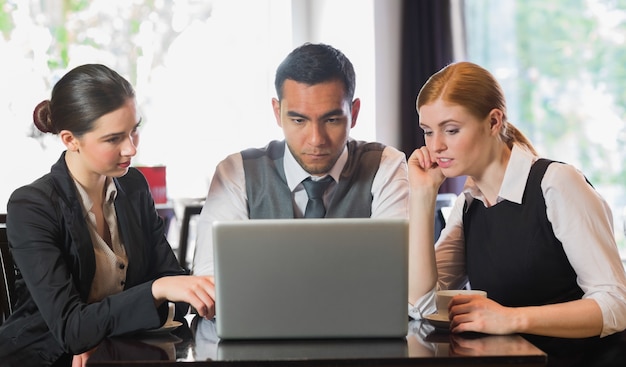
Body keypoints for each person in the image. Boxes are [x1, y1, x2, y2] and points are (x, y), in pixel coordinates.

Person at [0, 64, 216, 366]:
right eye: (113, 139)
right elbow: (71, 330)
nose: (131, 149)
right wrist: (156, 290)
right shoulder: (32, 206)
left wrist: (100, 331)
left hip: (119, 353)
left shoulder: (133, 186)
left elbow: (177, 293)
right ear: (70, 140)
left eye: (134, 130)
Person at [406, 61, 626, 338]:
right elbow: (422, 304)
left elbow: (616, 305)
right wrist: (423, 195)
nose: (435, 146)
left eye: (451, 130)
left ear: (493, 122)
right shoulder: (469, 204)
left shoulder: (556, 183)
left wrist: (512, 319)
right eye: (428, 131)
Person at [192, 42, 409, 276]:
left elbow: (401, 275)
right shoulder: (237, 172)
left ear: (353, 113)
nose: (316, 139)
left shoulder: (384, 165)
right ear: (278, 112)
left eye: (331, 120)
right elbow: (210, 277)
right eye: (298, 121)